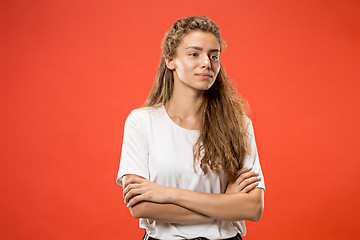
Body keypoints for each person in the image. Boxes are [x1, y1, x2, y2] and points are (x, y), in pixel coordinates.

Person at [116, 16, 265, 240]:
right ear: (170, 60)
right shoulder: (141, 122)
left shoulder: (239, 124)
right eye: (194, 54)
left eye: (213, 56)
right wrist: (225, 204)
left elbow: (252, 208)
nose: (207, 62)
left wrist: (168, 194)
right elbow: (142, 207)